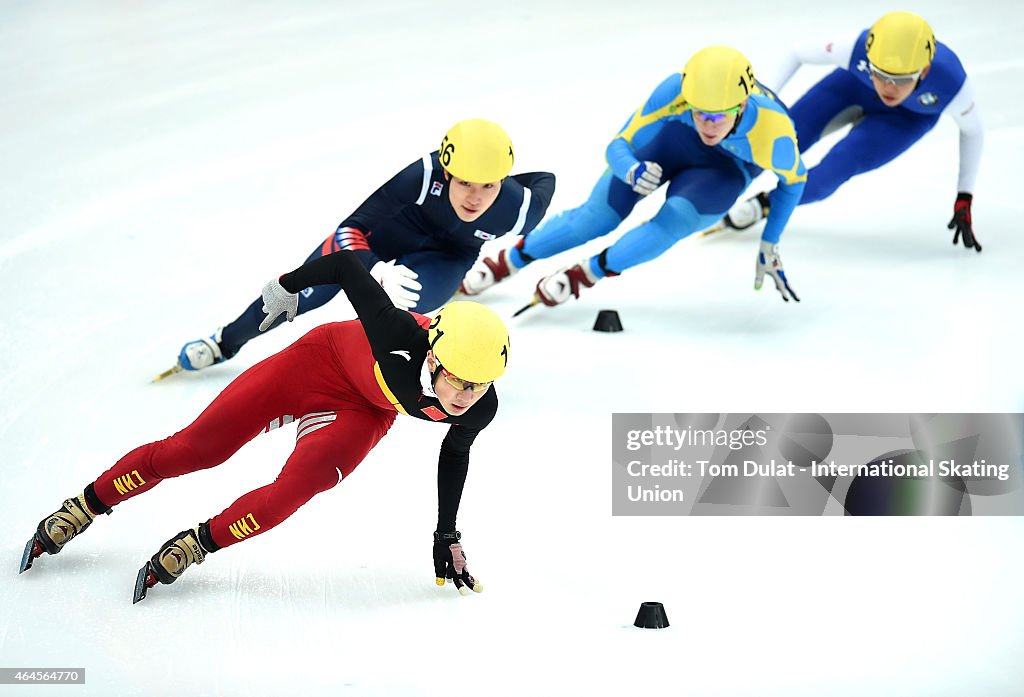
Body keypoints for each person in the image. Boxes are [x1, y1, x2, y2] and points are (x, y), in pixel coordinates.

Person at [20, 250, 510, 602]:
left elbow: (455, 452)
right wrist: (287, 286)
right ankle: (86, 506)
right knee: (195, 450)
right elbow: (344, 265)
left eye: (480, 385)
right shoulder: (395, 333)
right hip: (317, 364)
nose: (466, 397)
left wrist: (446, 533)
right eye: (457, 380)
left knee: (292, 492)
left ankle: (196, 543)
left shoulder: (480, 404)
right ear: (433, 357)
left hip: (363, 409)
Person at [174, 118, 552, 374]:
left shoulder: (520, 209)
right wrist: (372, 266)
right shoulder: (421, 175)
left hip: (448, 255)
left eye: (489, 185)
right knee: (303, 294)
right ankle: (225, 341)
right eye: (466, 182)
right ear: (447, 170)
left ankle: (349, 366)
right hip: (381, 235)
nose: (476, 198)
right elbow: (349, 228)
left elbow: (545, 180)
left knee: (404, 305)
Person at [460, 46, 807, 305]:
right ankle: (509, 260)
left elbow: (794, 182)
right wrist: (631, 168)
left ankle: (588, 272)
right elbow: (619, 143)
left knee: (676, 219)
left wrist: (770, 240)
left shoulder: (774, 132)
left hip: (725, 171)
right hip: (672, 143)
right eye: (699, 112)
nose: (707, 125)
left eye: (719, 117)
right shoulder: (676, 91)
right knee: (595, 218)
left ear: (743, 105)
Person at [720, 11, 984, 252]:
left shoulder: (952, 85)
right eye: (879, 73)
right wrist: (760, 102)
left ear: (924, 71)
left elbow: (973, 132)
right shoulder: (855, 48)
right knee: (779, 140)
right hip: (851, 88)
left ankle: (764, 204)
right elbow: (797, 53)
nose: (888, 88)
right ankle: (719, 181)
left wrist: (964, 194)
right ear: (868, 59)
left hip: (906, 120)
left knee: (829, 176)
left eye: (901, 79)